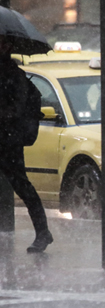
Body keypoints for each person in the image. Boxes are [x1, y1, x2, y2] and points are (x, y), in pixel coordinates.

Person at [0, 36, 53, 253]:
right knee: (22, 185)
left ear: (7, 47)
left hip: (8, 140)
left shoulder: (15, 75)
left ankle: (43, 232)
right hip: (6, 137)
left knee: (22, 186)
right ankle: (43, 232)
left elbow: (17, 109)